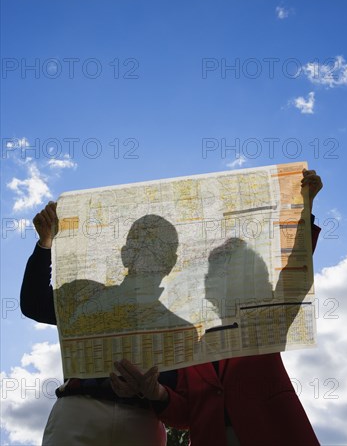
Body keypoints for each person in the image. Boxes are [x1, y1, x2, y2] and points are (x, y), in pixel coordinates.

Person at [109, 169, 323, 446]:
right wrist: (157, 394)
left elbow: (295, 275)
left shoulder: (267, 323)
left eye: (226, 272)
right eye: (212, 273)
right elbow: (185, 416)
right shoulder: (194, 348)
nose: (215, 279)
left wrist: (304, 207)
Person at [20, 202, 167, 446]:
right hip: (79, 408)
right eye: (140, 247)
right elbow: (34, 304)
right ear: (125, 253)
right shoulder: (84, 296)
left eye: (159, 250)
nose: (148, 257)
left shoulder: (182, 320)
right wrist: (45, 243)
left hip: (144, 418)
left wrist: (149, 390)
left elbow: (183, 381)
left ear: (171, 261)